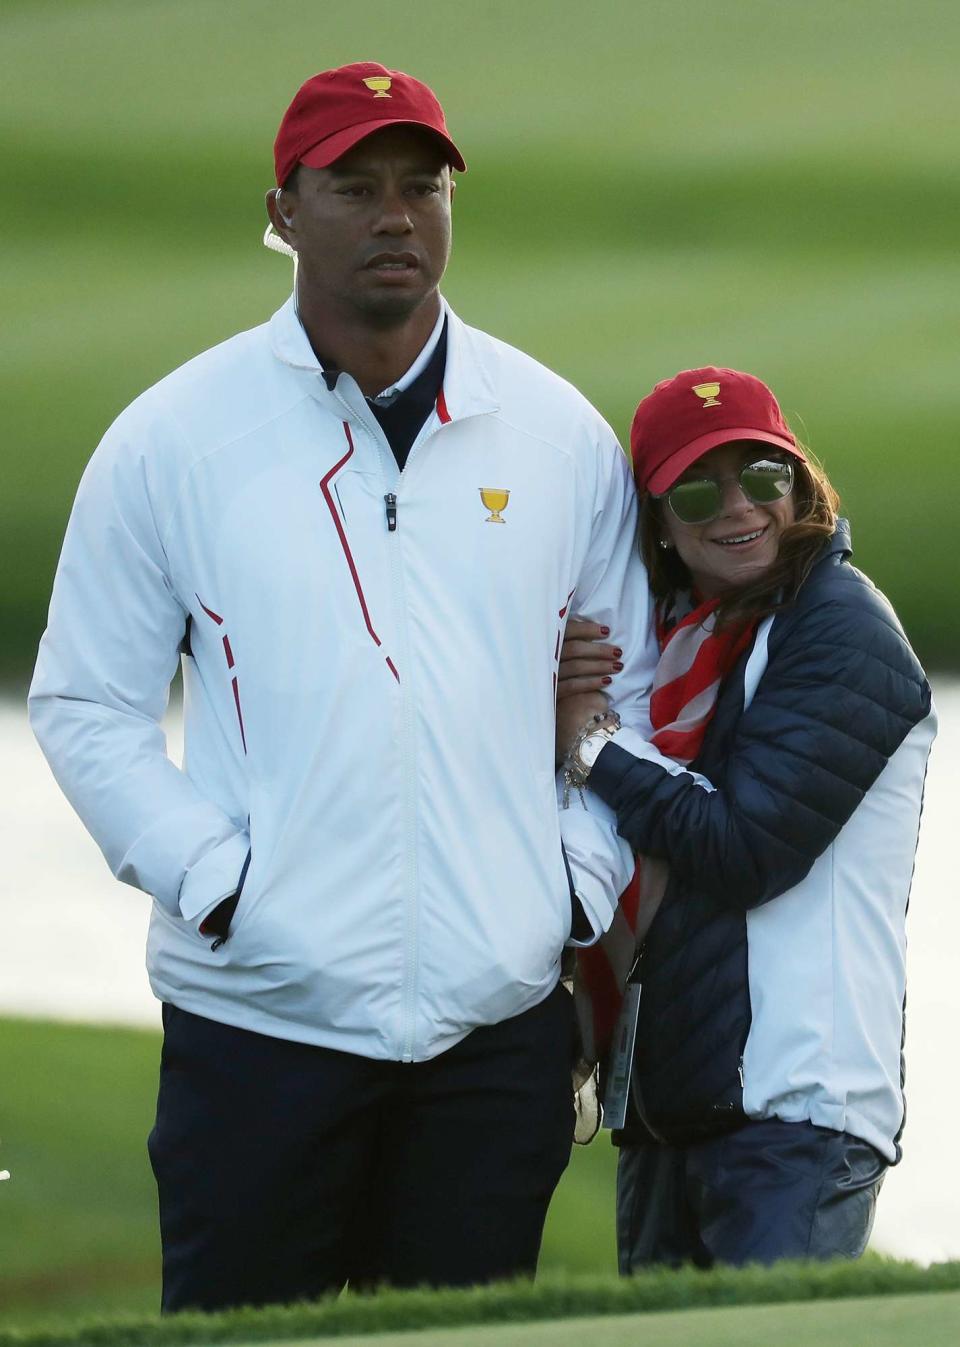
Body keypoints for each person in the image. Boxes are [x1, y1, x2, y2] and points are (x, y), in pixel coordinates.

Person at [28, 62, 656, 1309]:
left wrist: (568, 889)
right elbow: (85, 705)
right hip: (260, 1029)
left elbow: (624, 691)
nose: (395, 216)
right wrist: (219, 887)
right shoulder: (175, 437)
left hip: (493, 1027)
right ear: (283, 210)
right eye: (354, 187)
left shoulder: (554, 434)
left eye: (421, 187)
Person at [556, 366, 936, 1269]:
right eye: (696, 486)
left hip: (795, 1108)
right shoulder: (677, 648)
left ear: (799, 485)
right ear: (656, 520)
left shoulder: (841, 629)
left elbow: (745, 848)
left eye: (763, 475)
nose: (737, 506)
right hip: (665, 1103)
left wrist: (591, 744)